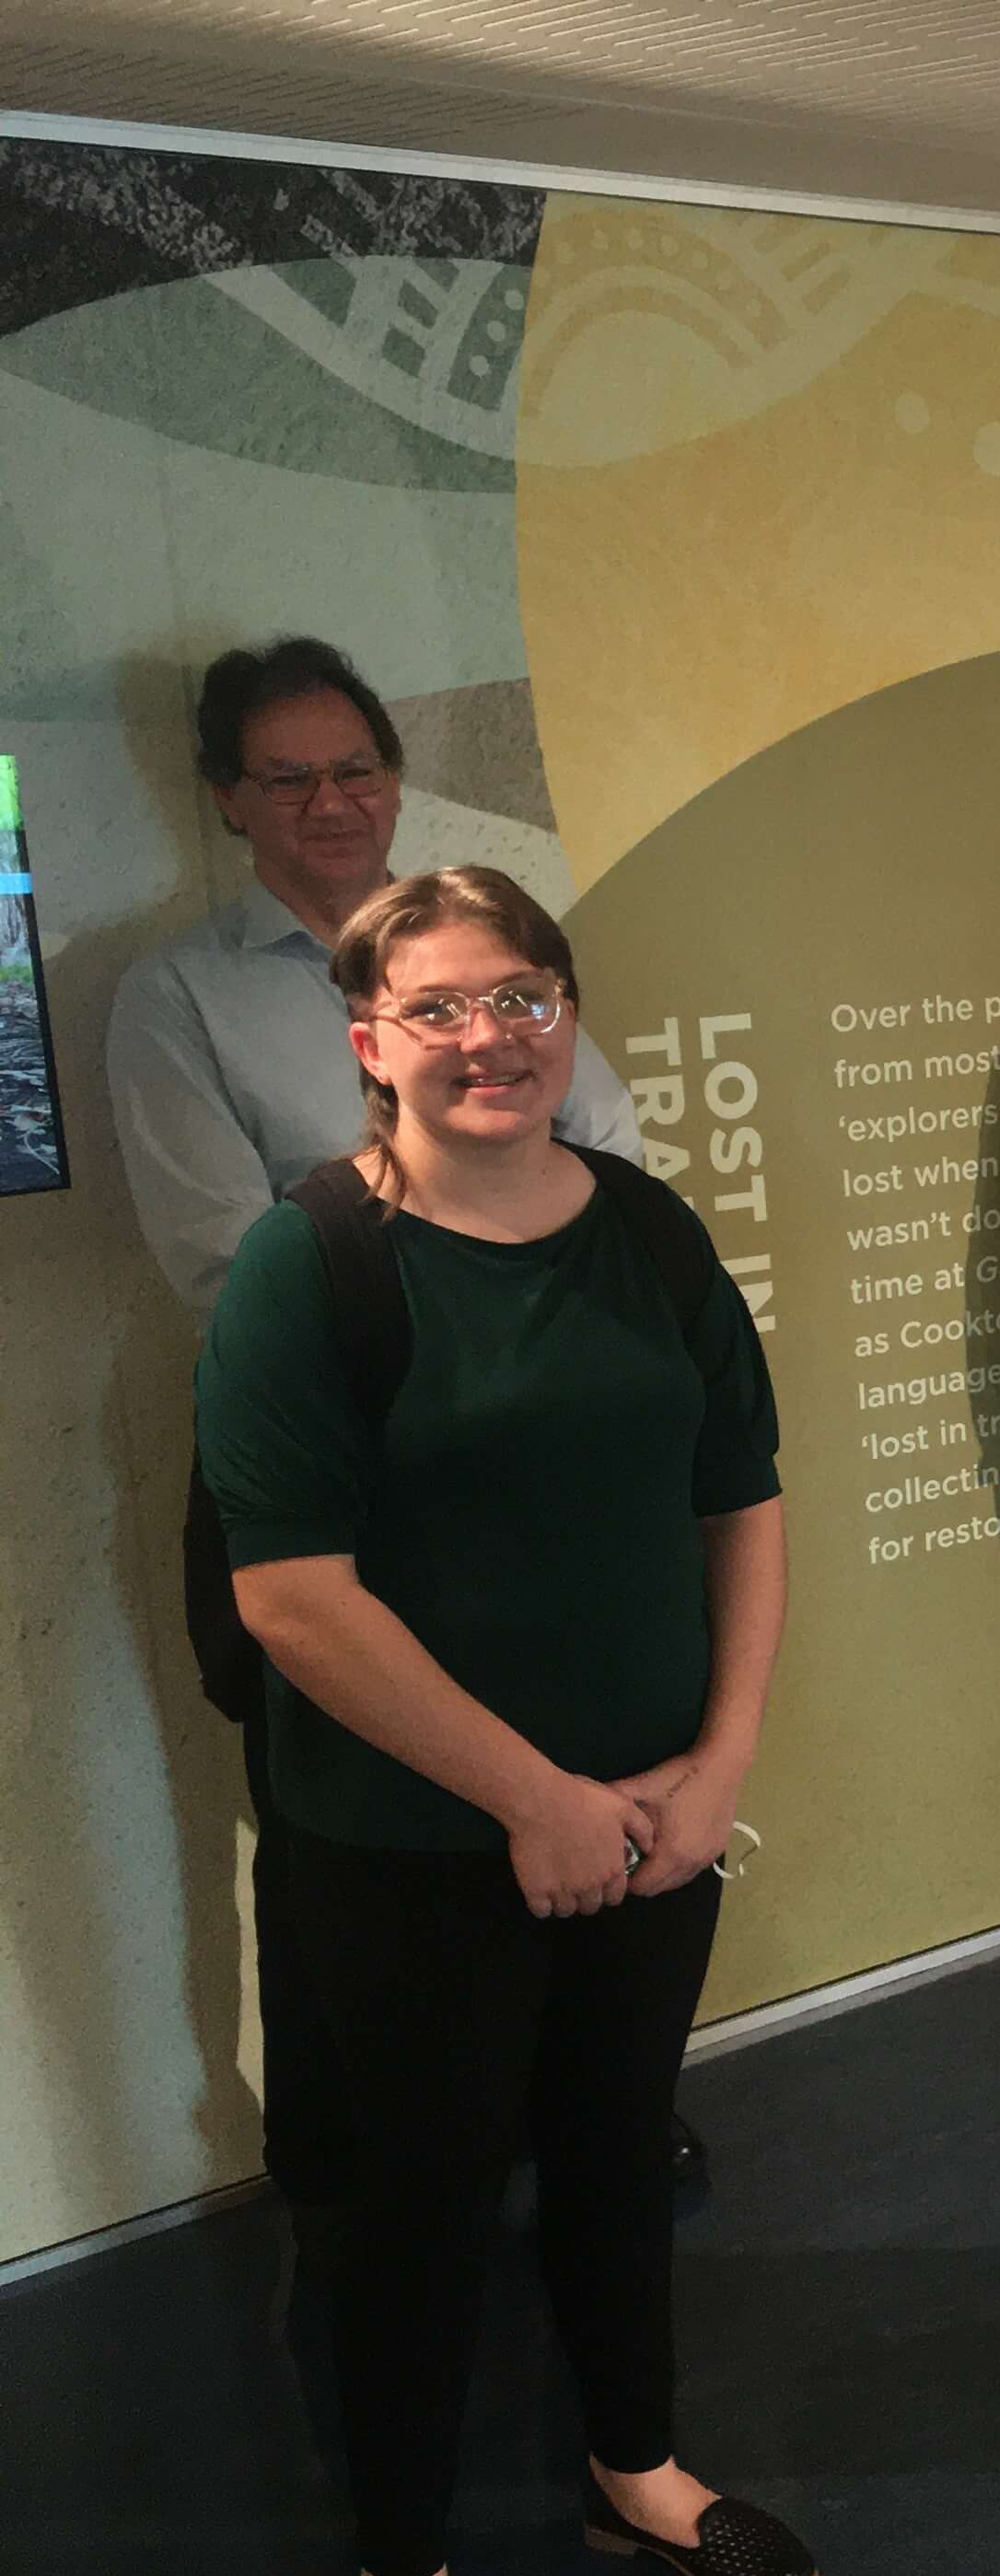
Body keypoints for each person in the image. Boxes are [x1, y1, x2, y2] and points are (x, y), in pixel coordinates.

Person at [197, 868, 811, 2576]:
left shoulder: (646, 1231)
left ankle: (635, 2463)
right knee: (414, 2214)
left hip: (649, 1827)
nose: (494, 1035)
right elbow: (292, 1599)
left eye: (527, 995)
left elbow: (746, 1500)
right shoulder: (308, 1268)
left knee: (620, 2150)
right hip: (406, 1853)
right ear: (367, 1038)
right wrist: (533, 1799)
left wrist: (714, 1770)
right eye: (445, 1005)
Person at [104, 639, 671, 2224]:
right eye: (286, 775)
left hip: (539, 1483)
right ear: (228, 798)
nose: (329, 801)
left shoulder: (484, 954)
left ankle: (583, 2101)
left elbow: (619, 1179)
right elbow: (233, 1264)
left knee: (560, 1769)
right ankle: (360, 2158)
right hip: (333, 1496)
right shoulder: (179, 997)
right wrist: (495, 1306)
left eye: (352, 766)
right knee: (340, 1822)